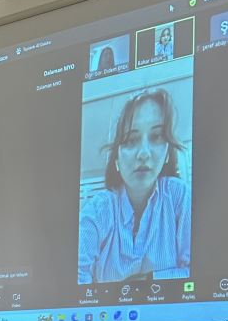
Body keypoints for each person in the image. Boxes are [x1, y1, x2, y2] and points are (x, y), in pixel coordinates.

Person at [78, 88, 191, 284]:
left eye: (156, 136)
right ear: (116, 159)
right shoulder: (96, 211)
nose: (144, 153)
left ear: (166, 153)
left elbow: (198, 271)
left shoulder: (179, 196)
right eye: (131, 139)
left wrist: (148, 280)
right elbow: (76, 277)